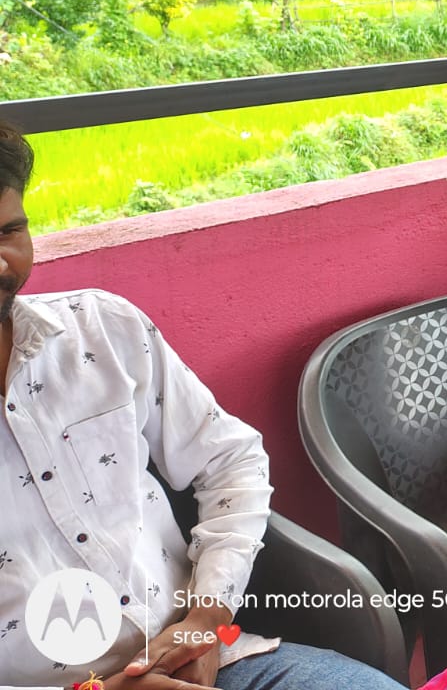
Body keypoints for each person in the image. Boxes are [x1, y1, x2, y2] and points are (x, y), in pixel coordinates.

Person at [0, 122, 404, 690]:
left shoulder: (101, 330)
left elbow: (231, 460)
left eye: (9, 231)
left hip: (214, 662)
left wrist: (205, 621)